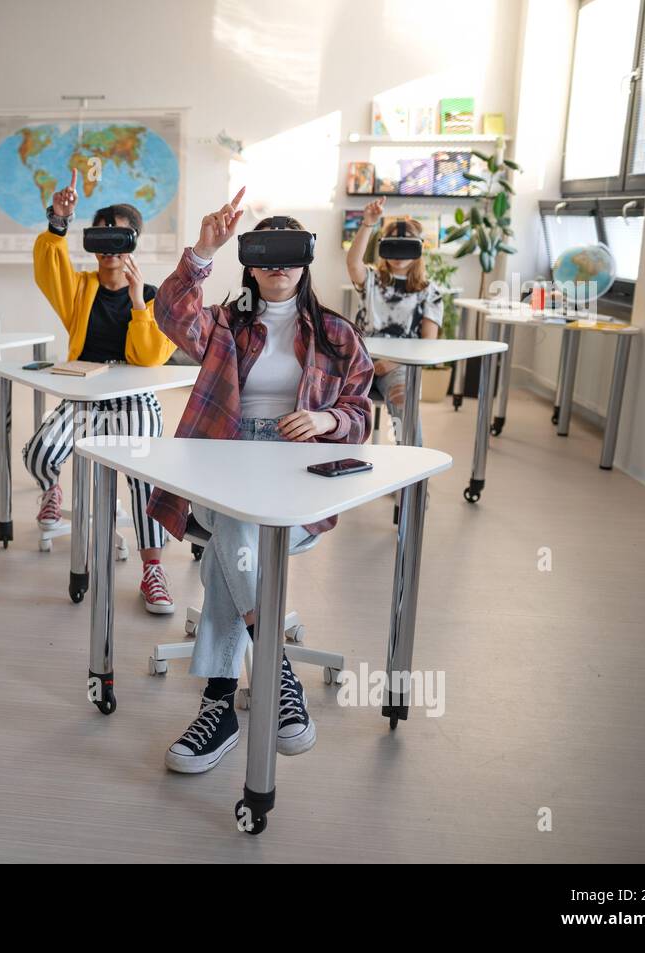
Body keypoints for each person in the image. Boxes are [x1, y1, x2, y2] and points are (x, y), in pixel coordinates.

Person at [148, 190, 374, 773]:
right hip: (226, 458)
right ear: (248, 260)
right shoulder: (226, 323)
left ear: (306, 260)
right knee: (233, 524)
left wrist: (327, 418)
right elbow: (171, 315)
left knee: (230, 543)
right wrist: (203, 250)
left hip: (299, 472)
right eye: (265, 252)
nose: (278, 263)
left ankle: (219, 707)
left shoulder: (336, 334)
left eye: (290, 252)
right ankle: (278, 679)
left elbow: (361, 413)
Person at [27, 169, 178, 614]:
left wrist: (136, 300)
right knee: (40, 452)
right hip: (83, 395)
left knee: (141, 471)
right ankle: (51, 488)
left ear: (134, 242)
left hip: (133, 400)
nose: (110, 245)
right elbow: (48, 268)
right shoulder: (80, 290)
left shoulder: (154, 296)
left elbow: (150, 356)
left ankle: (153, 567)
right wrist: (59, 220)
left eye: (120, 236)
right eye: (102, 235)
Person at [346, 198, 442, 441]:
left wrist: (392, 362)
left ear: (418, 249)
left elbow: (428, 342)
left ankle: (413, 471)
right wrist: (368, 224)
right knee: (330, 399)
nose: (399, 255)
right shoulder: (372, 280)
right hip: (360, 362)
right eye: (393, 246)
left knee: (404, 402)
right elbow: (353, 263)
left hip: (400, 365)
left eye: (406, 246)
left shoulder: (429, 291)